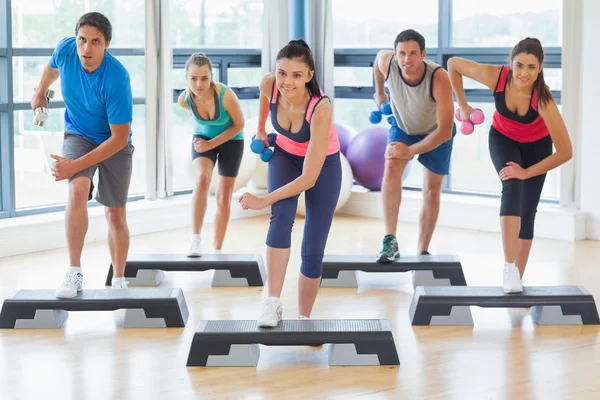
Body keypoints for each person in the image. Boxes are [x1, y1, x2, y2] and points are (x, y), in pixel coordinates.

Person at [447, 37, 572, 293]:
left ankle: (516, 278)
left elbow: (566, 152)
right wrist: (462, 105)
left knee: (528, 213)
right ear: (511, 64)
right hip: (503, 138)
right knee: (511, 184)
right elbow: (453, 64)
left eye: (531, 67)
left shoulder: (544, 101)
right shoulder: (496, 77)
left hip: (537, 148)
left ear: (540, 68)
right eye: (519, 65)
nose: (524, 73)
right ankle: (508, 266)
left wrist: (527, 171)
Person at [30, 12, 134, 298]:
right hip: (78, 133)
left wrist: (75, 165)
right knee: (77, 190)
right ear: (75, 40)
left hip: (114, 141)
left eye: (95, 42)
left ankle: (120, 279)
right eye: (82, 40)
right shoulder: (65, 50)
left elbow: (119, 137)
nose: (87, 48)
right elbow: (51, 69)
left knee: (115, 215)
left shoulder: (117, 78)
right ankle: (74, 272)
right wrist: (41, 91)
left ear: (107, 44)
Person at [238, 39, 341, 328]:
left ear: (309, 75)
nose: (286, 81)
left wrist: (261, 200)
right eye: (282, 73)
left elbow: (309, 178)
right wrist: (260, 129)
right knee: (280, 218)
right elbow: (264, 96)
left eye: (296, 75)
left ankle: (305, 317)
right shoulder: (269, 84)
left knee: (312, 246)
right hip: (284, 154)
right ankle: (271, 304)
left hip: (322, 166)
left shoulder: (320, 108)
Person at [372, 29, 455, 263]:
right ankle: (390, 241)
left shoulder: (439, 78)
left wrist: (410, 151)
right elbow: (378, 60)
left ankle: (422, 251)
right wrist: (379, 94)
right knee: (391, 165)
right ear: (396, 54)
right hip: (404, 126)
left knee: (431, 191)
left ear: (423, 54)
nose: (406, 59)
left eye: (413, 53)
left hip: (436, 132)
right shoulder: (388, 63)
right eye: (402, 53)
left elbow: (445, 131)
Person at [178, 53, 245, 257]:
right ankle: (195, 240)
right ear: (187, 79)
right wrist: (204, 143)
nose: (199, 84)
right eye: (194, 79)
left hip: (232, 140)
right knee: (202, 178)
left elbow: (239, 125)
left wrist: (211, 144)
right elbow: (198, 121)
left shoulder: (225, 95)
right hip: (202, 139)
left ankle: (217, 249)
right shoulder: (184, 100)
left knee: (223, 197)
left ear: (211, 77)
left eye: (204, 78)